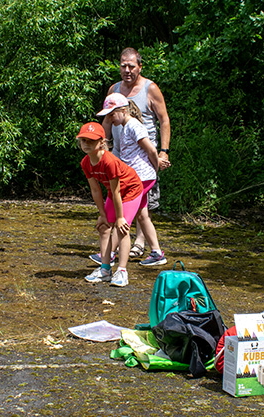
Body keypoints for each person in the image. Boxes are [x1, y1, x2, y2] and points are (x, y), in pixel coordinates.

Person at [90, 47, 171, 263]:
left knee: (124, 209)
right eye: (123, 66)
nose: (127, 70)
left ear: (139, 67)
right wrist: (101, 147)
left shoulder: (149, 89)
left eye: (131, 66)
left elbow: (163, 120)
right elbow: (106, 122)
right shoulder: (114, 90)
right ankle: (155, 251)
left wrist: (162, 154)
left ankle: (111, 253)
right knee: (140, 209)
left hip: (144, 160)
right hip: (121, 156)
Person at [97, 93, 167, 266]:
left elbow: (150, 150)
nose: (110, 118)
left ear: (123, 110)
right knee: (143, 216)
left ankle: (109, 253)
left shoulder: (134, 126)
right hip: (138, 176)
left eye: (112, 114)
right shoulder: (126, 126)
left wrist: (155, 169)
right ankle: (157, 253)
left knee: (124, 217)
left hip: (140, 178)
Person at [77, 122, 144, 287]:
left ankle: (122, 271)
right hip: (113, 192)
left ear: (101, 142)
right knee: (104, 226)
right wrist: (102, 214)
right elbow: (95, 190)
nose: (86, 144)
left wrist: (120, 217)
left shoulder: (109, 161)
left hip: (131, 189)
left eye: (91, 141)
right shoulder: (86, 163)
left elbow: (116, 192)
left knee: (122, 228)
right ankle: (105, 269)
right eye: (83, 140)